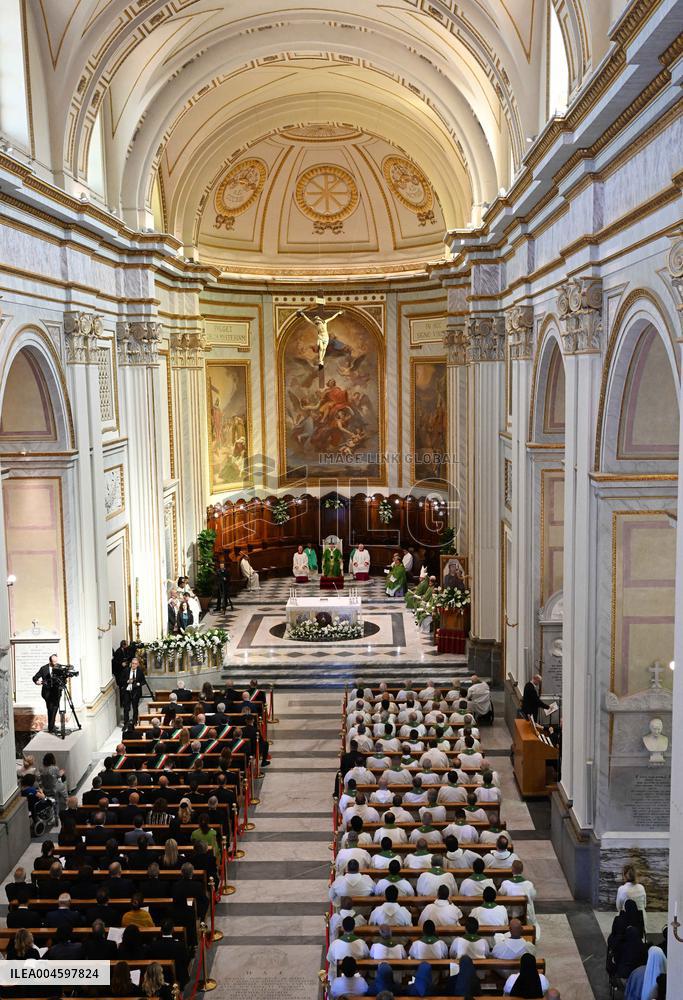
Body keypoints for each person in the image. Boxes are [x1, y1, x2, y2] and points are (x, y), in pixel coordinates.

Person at [32, 652, 62, 733]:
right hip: (47, 692)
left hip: (57, 691)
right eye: (53, 662)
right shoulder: (44, 668)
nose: (55, 663)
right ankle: (51, 728)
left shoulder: (59, 667)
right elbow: (35, 677)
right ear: (50, 661)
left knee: (55, 708)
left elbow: (63, 678)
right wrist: (36, 681)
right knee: (50, 708)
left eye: (56, 661)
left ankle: (51, 725)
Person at [38, 752, 67, 822]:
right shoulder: (55, 768)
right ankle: (66, 799)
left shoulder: (41, 769)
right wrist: (62, 772)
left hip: (46, 789)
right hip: (55, 788)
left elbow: (39, 778)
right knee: (63, 784)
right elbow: (59, 775)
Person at [119, 656, 145, 726]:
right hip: (127, 691)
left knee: (135, 707)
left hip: (136, 691)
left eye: (135, 664)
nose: (134, 665)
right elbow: (120, 680)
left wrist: (139, 684)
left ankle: (134, 721)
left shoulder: (140, 671)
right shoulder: (126, 670)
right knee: (126, 708)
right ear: (131, 664)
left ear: (138, 664)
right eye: (133, 663)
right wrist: (127, 681)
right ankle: (126, 722)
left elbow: (143, 681)